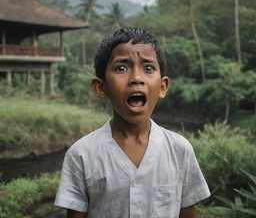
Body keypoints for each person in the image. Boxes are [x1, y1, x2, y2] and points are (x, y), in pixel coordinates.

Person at [55, 27, 210, 218]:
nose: (136, 78)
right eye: (121, 68)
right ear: (101, 87)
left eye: (148, 68)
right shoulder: (81, 154)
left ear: (162, 87)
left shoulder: (180, 150)